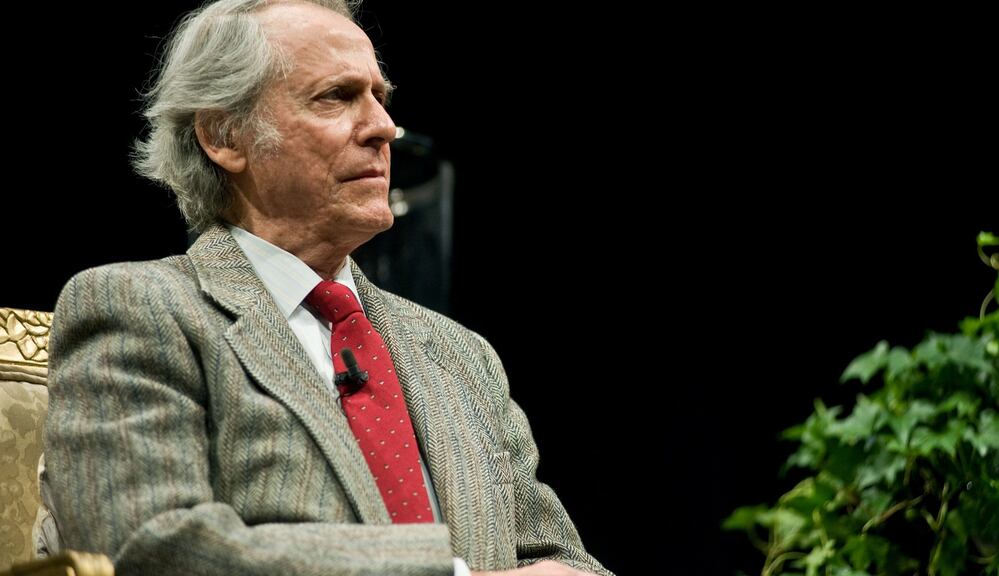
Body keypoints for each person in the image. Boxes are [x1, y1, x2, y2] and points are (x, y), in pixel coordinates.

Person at [41, 1, 611, 575]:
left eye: (379, 97)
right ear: (224, 135)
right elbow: (153, 546)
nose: (383, 127)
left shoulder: (461, 355)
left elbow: (560, 558)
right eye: (336, 97)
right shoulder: (142, 309)